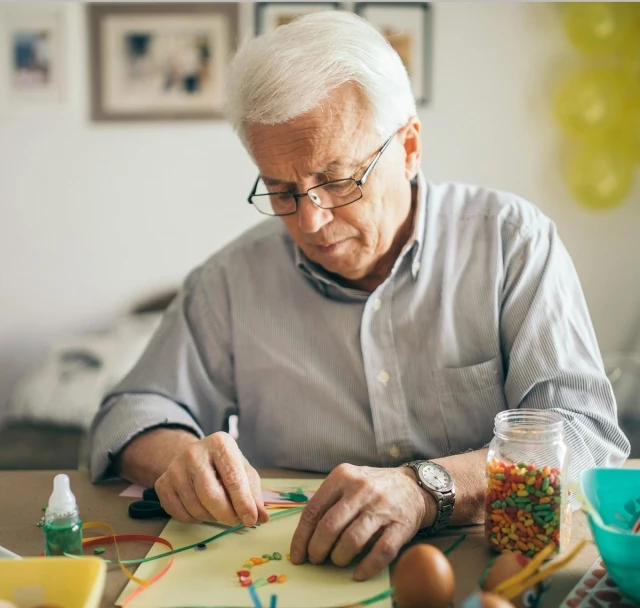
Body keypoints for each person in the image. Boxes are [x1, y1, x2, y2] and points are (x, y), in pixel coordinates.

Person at [90, 11, 630, 582]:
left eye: (338, 178)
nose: (311, 220)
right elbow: (130, 413)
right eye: (280, 189)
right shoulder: (230, 280)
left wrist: (425, 488)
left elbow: (584, 432)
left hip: (492, 565)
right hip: (299, 569)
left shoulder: (511, 241)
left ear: (410, 147)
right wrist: (180, 458)